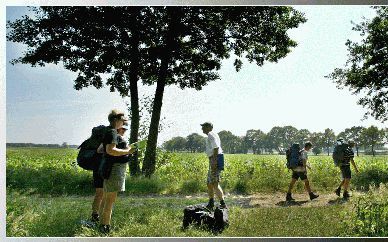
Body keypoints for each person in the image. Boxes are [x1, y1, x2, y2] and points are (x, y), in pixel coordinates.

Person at [99, 109, 136, 234]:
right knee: (110, 200)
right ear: (115, 120)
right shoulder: (113, 132)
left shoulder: (108, 131)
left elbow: (102, 149)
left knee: (106, 198)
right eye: (122, 120)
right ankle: (105, 227)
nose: (123, 122)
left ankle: (102, 224)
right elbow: (110, 150)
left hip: (108, 168)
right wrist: (127, 151)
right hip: (114, 169)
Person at [201, 122, 227, 210]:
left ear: (209, 127)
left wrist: (214, 161)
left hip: (215, 159)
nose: (202, 129)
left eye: (203, 127)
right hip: (214, 158)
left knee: (214, 183)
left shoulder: (211, 135)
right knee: (209, 183)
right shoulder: (213, 134)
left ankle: (222, 204)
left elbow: (216, 148)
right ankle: (211, 203)